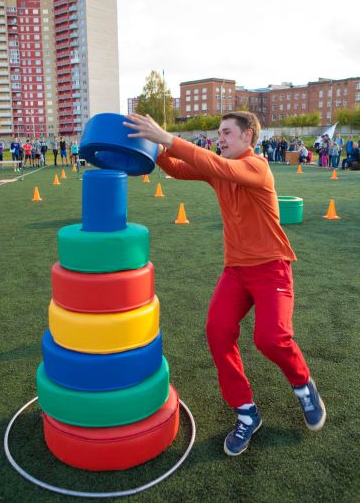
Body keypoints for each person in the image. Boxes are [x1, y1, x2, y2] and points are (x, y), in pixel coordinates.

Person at [124, 111, 326, 456]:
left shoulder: (256, 167)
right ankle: (246, 412)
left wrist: (169, 138)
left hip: (271, 268)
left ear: (248, 137)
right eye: (219, 133)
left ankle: (303, 386)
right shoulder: (220, 169)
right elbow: (177, 168)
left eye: (227, 133)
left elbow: (219, 167)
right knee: (217, 332)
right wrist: (151, 147)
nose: (220, 138)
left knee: (271, 339)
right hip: (236, 271)